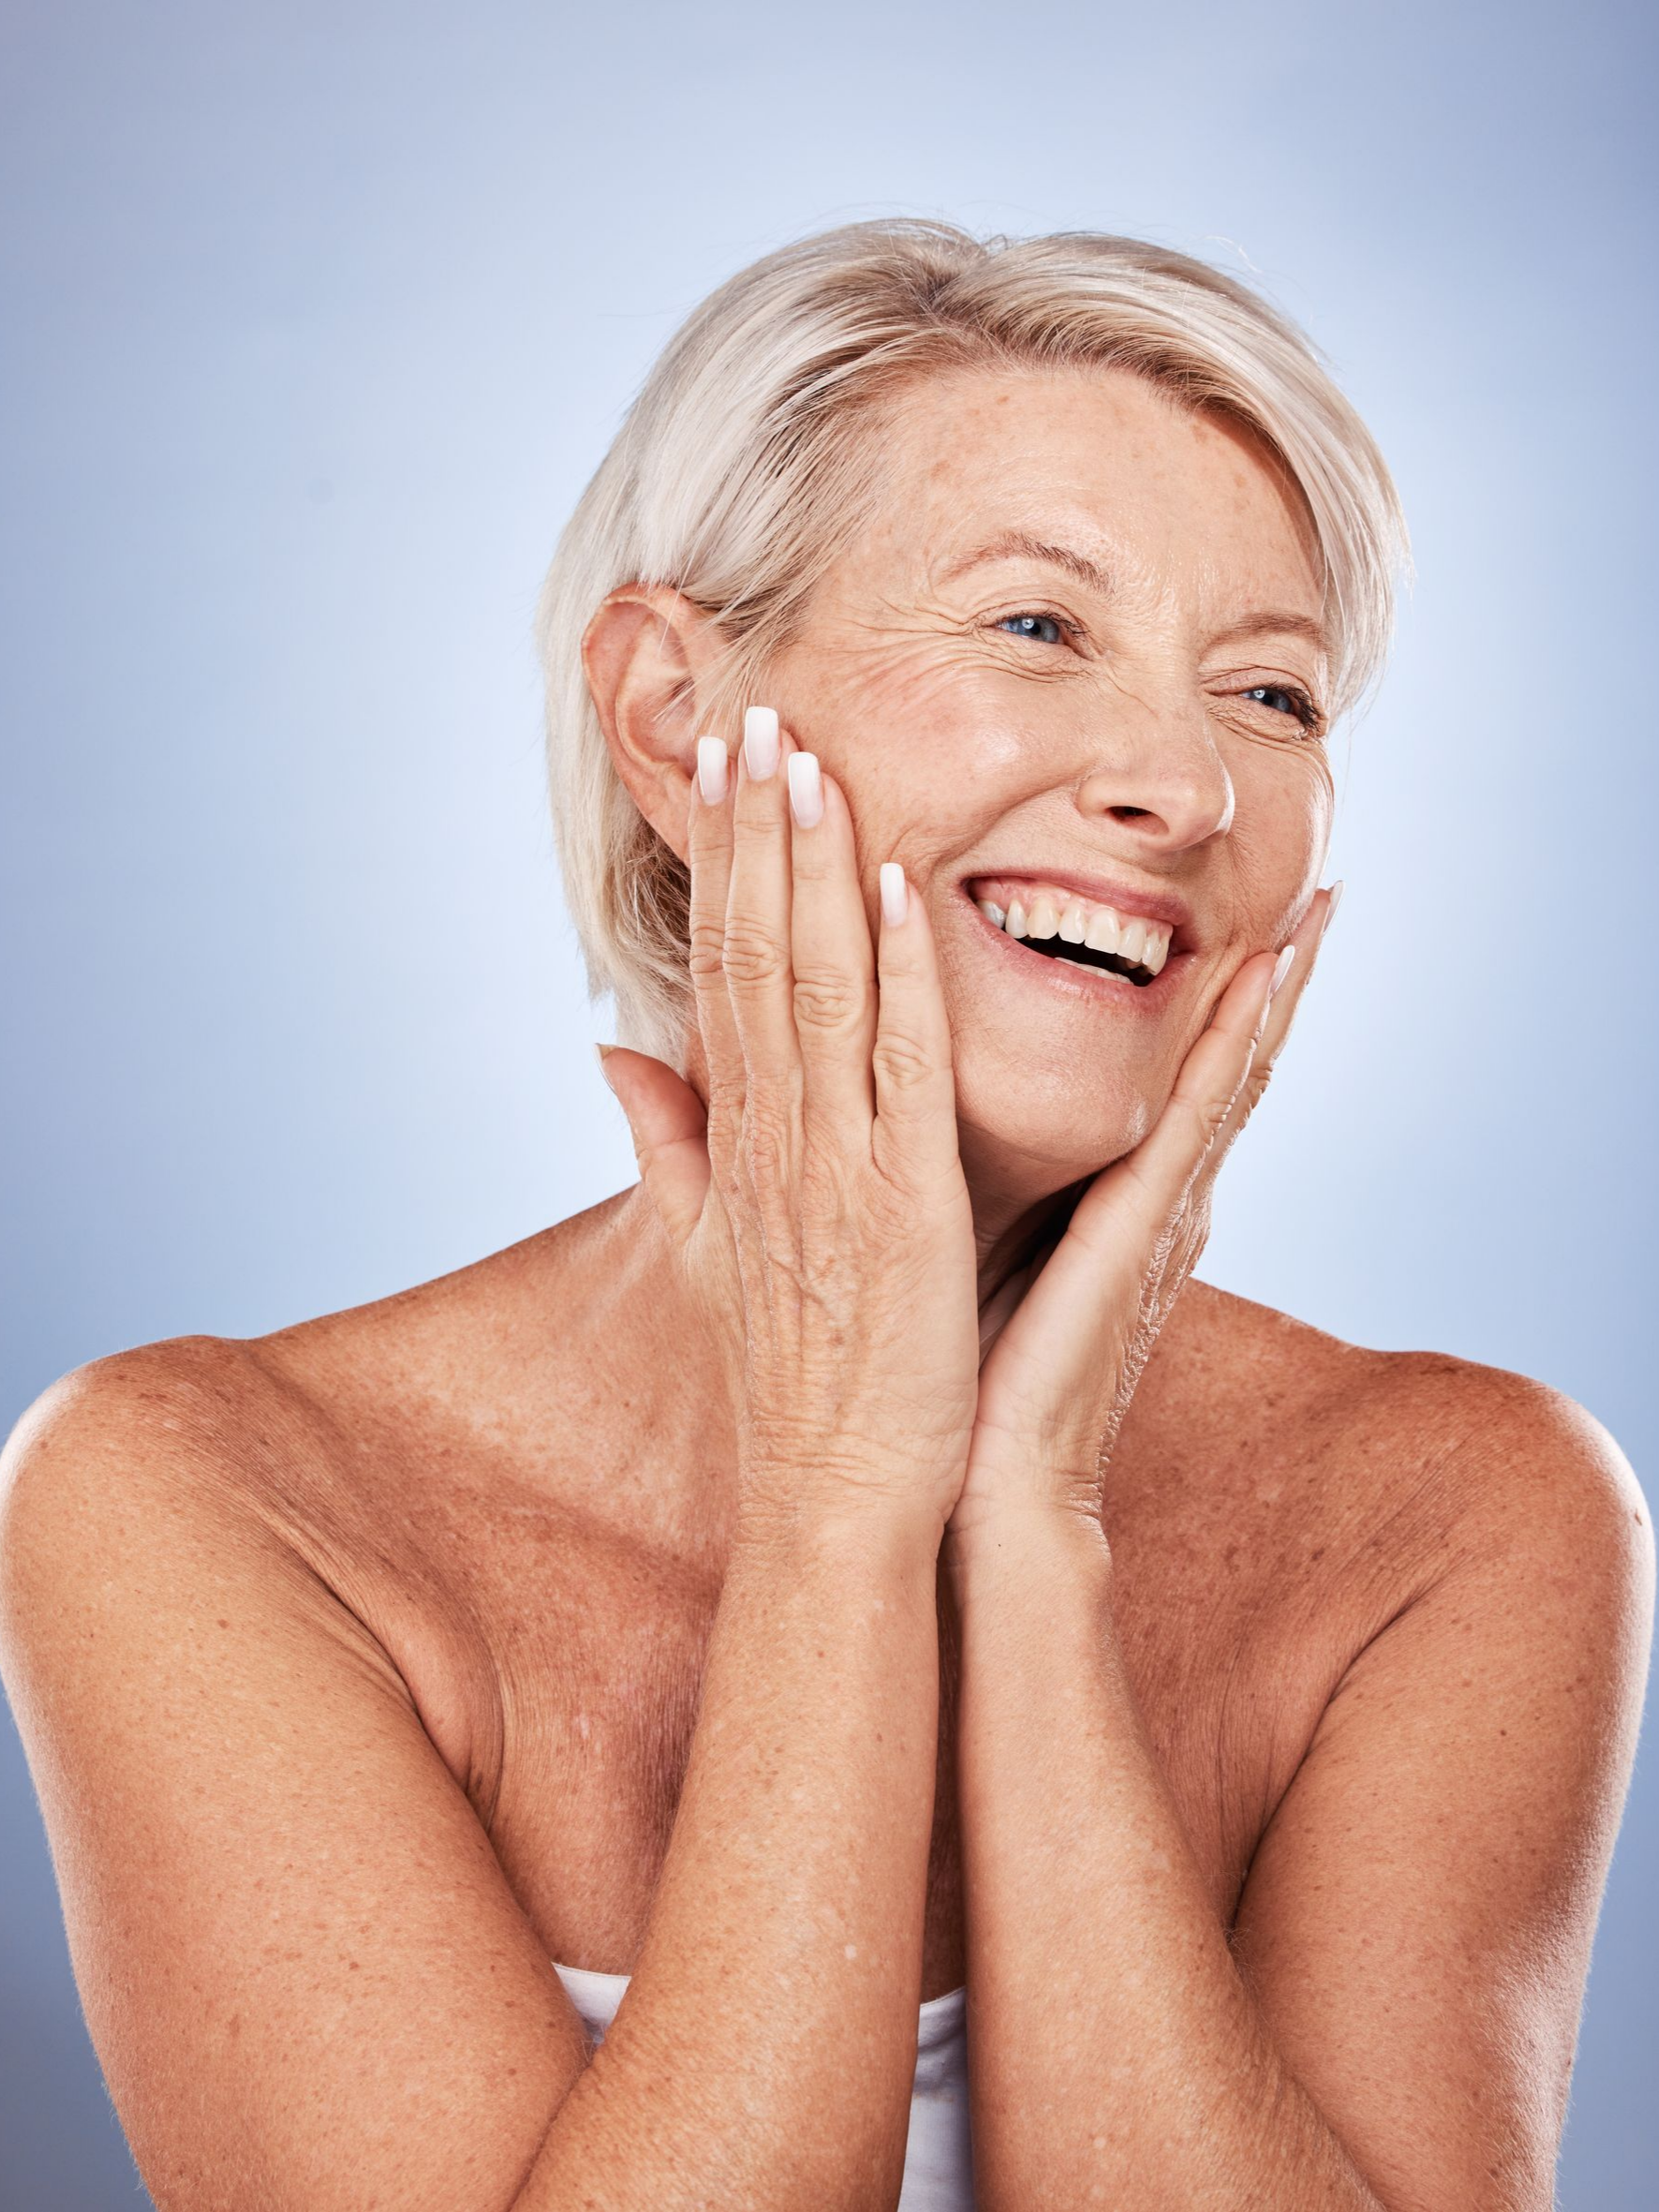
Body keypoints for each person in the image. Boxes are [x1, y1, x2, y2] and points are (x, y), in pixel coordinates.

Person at [0, 219, 1651, 2212]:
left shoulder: (1472, 1513)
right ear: (674, 717)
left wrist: (1033, 1534)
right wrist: (842, 1494)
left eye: (1278, 695)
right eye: (1037, 627)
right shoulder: (199, 1496)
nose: (1187, 781)